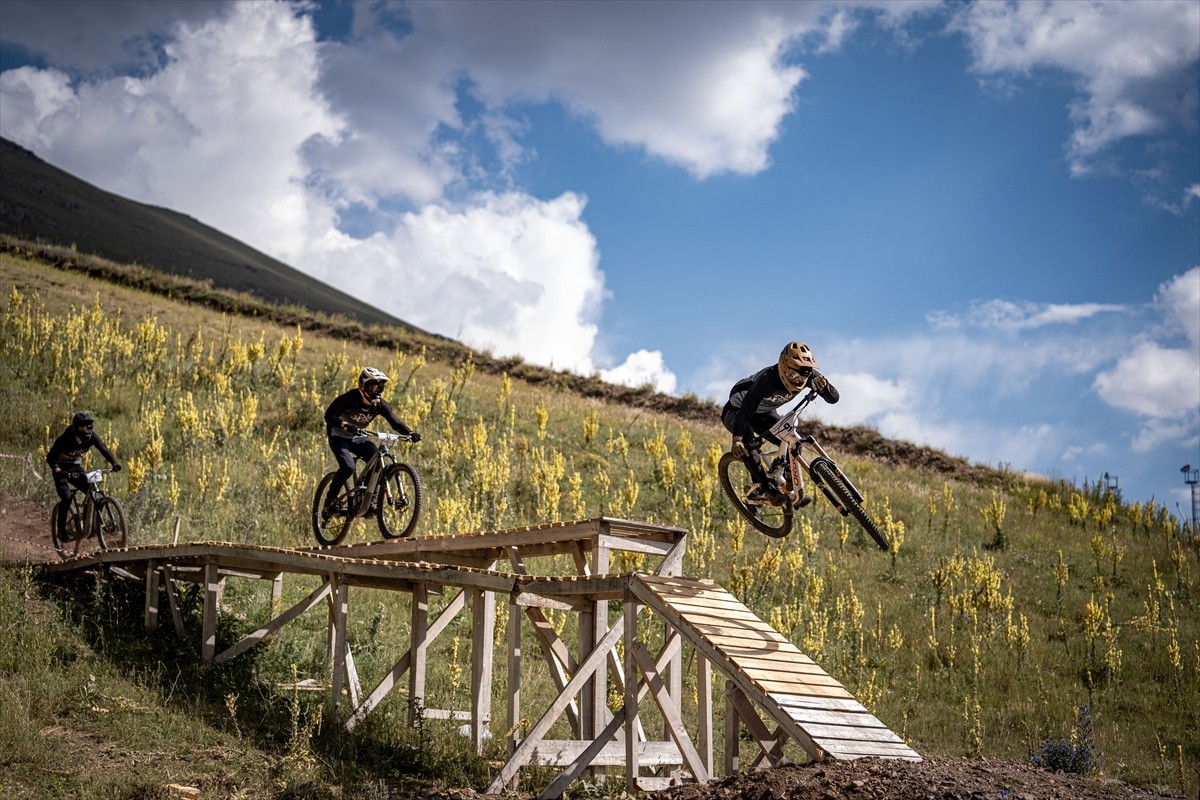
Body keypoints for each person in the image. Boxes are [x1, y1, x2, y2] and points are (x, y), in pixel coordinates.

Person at [721, 341, 839, 506]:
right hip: (737, 411)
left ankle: (789, 487)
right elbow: (746, 410)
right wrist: (736, 439)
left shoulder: (808, 375)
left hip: (763, 414)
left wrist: (824, 386)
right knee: (747, 442)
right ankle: (764, 486)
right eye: (792, 374)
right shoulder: (767, 380)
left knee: (793, 442)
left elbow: (833, 398)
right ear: (784, 366)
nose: (797, 380)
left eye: (802, 376)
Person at [323, 367, 420, 502]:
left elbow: (396, 422)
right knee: (348, 467)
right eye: (372, 386)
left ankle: (367, 497)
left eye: (380, 387)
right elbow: (329, 416)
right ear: (363, 386)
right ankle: (330, 499)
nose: (376, 391)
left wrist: (410, 433)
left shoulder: (379, 405)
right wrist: (345, 425)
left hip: (358, 437)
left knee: (377, 463)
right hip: (338, 436)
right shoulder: (349, 398)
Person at [46, 411, 122, 536]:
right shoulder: (66, 438)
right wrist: (57, 469)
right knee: (67, 497)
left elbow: (103, 449)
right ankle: (61, 531)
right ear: (76, 428)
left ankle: (88, 525)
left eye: (88, 427)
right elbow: (50, 457)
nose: (85, 430)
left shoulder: (91, 437)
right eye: (82, 427)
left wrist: (114, 462)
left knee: (90, 491)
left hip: (75, 467)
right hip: (61, 469)